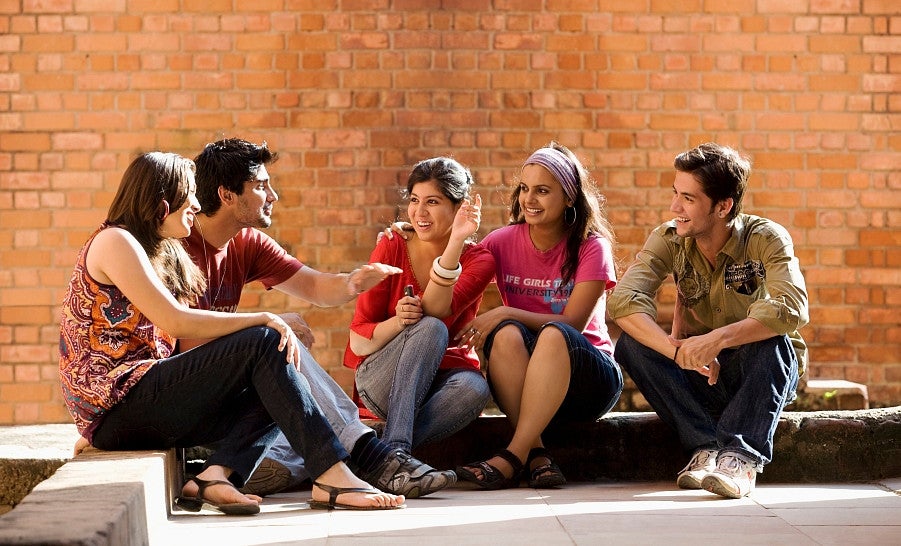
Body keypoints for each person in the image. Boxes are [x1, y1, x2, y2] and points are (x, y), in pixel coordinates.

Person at [58, 152, 404, 515]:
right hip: (122, 406)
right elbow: (176, 321)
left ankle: (217, 476)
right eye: (190, 194)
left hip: (141, 402)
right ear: (163, 203)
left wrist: (345, 285)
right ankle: (332, 475)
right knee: (268, 340)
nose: (196, 203)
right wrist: (265, 318)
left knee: (278, 370)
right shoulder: (116, 241)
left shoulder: (162, 249)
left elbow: (312, 288)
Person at [182, 138, 456, 499]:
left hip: (230, 394)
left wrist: (353, 282)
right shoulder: (178, 245)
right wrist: (268, 321)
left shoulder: (247, 242)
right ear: (227, 195)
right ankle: (373, 457)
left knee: (313, 438)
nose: (273, 195)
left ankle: (239, 460)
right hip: (186, 391)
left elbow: (315, 287)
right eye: (262, 186)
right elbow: (183, 339)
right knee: (278, 340)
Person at [383, 143, 623, 489]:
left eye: (543, 191)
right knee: (507, 335)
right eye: (524, 189)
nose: (530, 200)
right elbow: (454, 248)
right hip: (530, 387)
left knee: (552, 332)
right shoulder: (502, 242)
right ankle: (537, 455)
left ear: (569, 198)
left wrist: (505, 310)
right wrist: (410, 235)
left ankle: (512, 456)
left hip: (588, 380)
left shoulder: (591, 246)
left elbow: (573, 324)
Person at [607, 142, 808, 499]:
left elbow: (791, 307)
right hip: (703, 373)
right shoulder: (668, 238)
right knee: (632, 345)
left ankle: (741, 458)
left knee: (772, 338)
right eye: (675, 194)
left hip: (758, 372)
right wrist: (680, 353)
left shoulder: (765, 238)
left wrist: (717, 340)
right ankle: (706, 448)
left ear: (723, 206)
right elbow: (623, 301)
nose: (674, 207)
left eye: (688, 198)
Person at [344, 157, 495, 459]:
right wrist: (398, 322)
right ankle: (397, 452)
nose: (419, 212)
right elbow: (359, 341)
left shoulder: (480, 261)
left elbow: (437, 308)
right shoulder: (392, 246)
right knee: (430, 328)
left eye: (433, 202)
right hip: (382, 378)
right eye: (414, 200)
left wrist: (456, 241)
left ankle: (376, 454)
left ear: (459, 206)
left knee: (475, 390)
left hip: (445, 383)